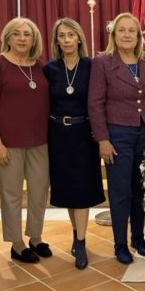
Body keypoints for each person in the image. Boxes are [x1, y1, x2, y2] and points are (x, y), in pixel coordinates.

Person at [88, 12, 145, 264]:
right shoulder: (102, 62)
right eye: (121, 30)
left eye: (131, 30)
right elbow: (95, 103)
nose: (126, 35)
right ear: (114, 34)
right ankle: (120, 243)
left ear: (139, 35)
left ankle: (138, 239)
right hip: (117, 135)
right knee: (121, 191)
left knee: (141, 190)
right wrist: (102, 139)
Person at [0, 17, 51, 264]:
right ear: (7, 37)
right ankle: (16, 243)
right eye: (17, 34)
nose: (22, 38)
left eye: (28, 34)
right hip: (8, 142)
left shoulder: (41, 67)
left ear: (35, 39)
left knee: (39, 191)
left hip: (40, 141)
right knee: (11, 194)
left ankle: (35, 237)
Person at [44, 18, 105, 270]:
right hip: (58, 134)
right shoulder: (50, 69)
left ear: (79, 38)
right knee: (69, 192)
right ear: (56, 40)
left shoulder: (92, 66)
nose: (67, 39)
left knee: (81, 192)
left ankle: (80, 242)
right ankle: (75, 233)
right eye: (62, 35)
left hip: (84, 134)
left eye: (71, 35)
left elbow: (100, 100)